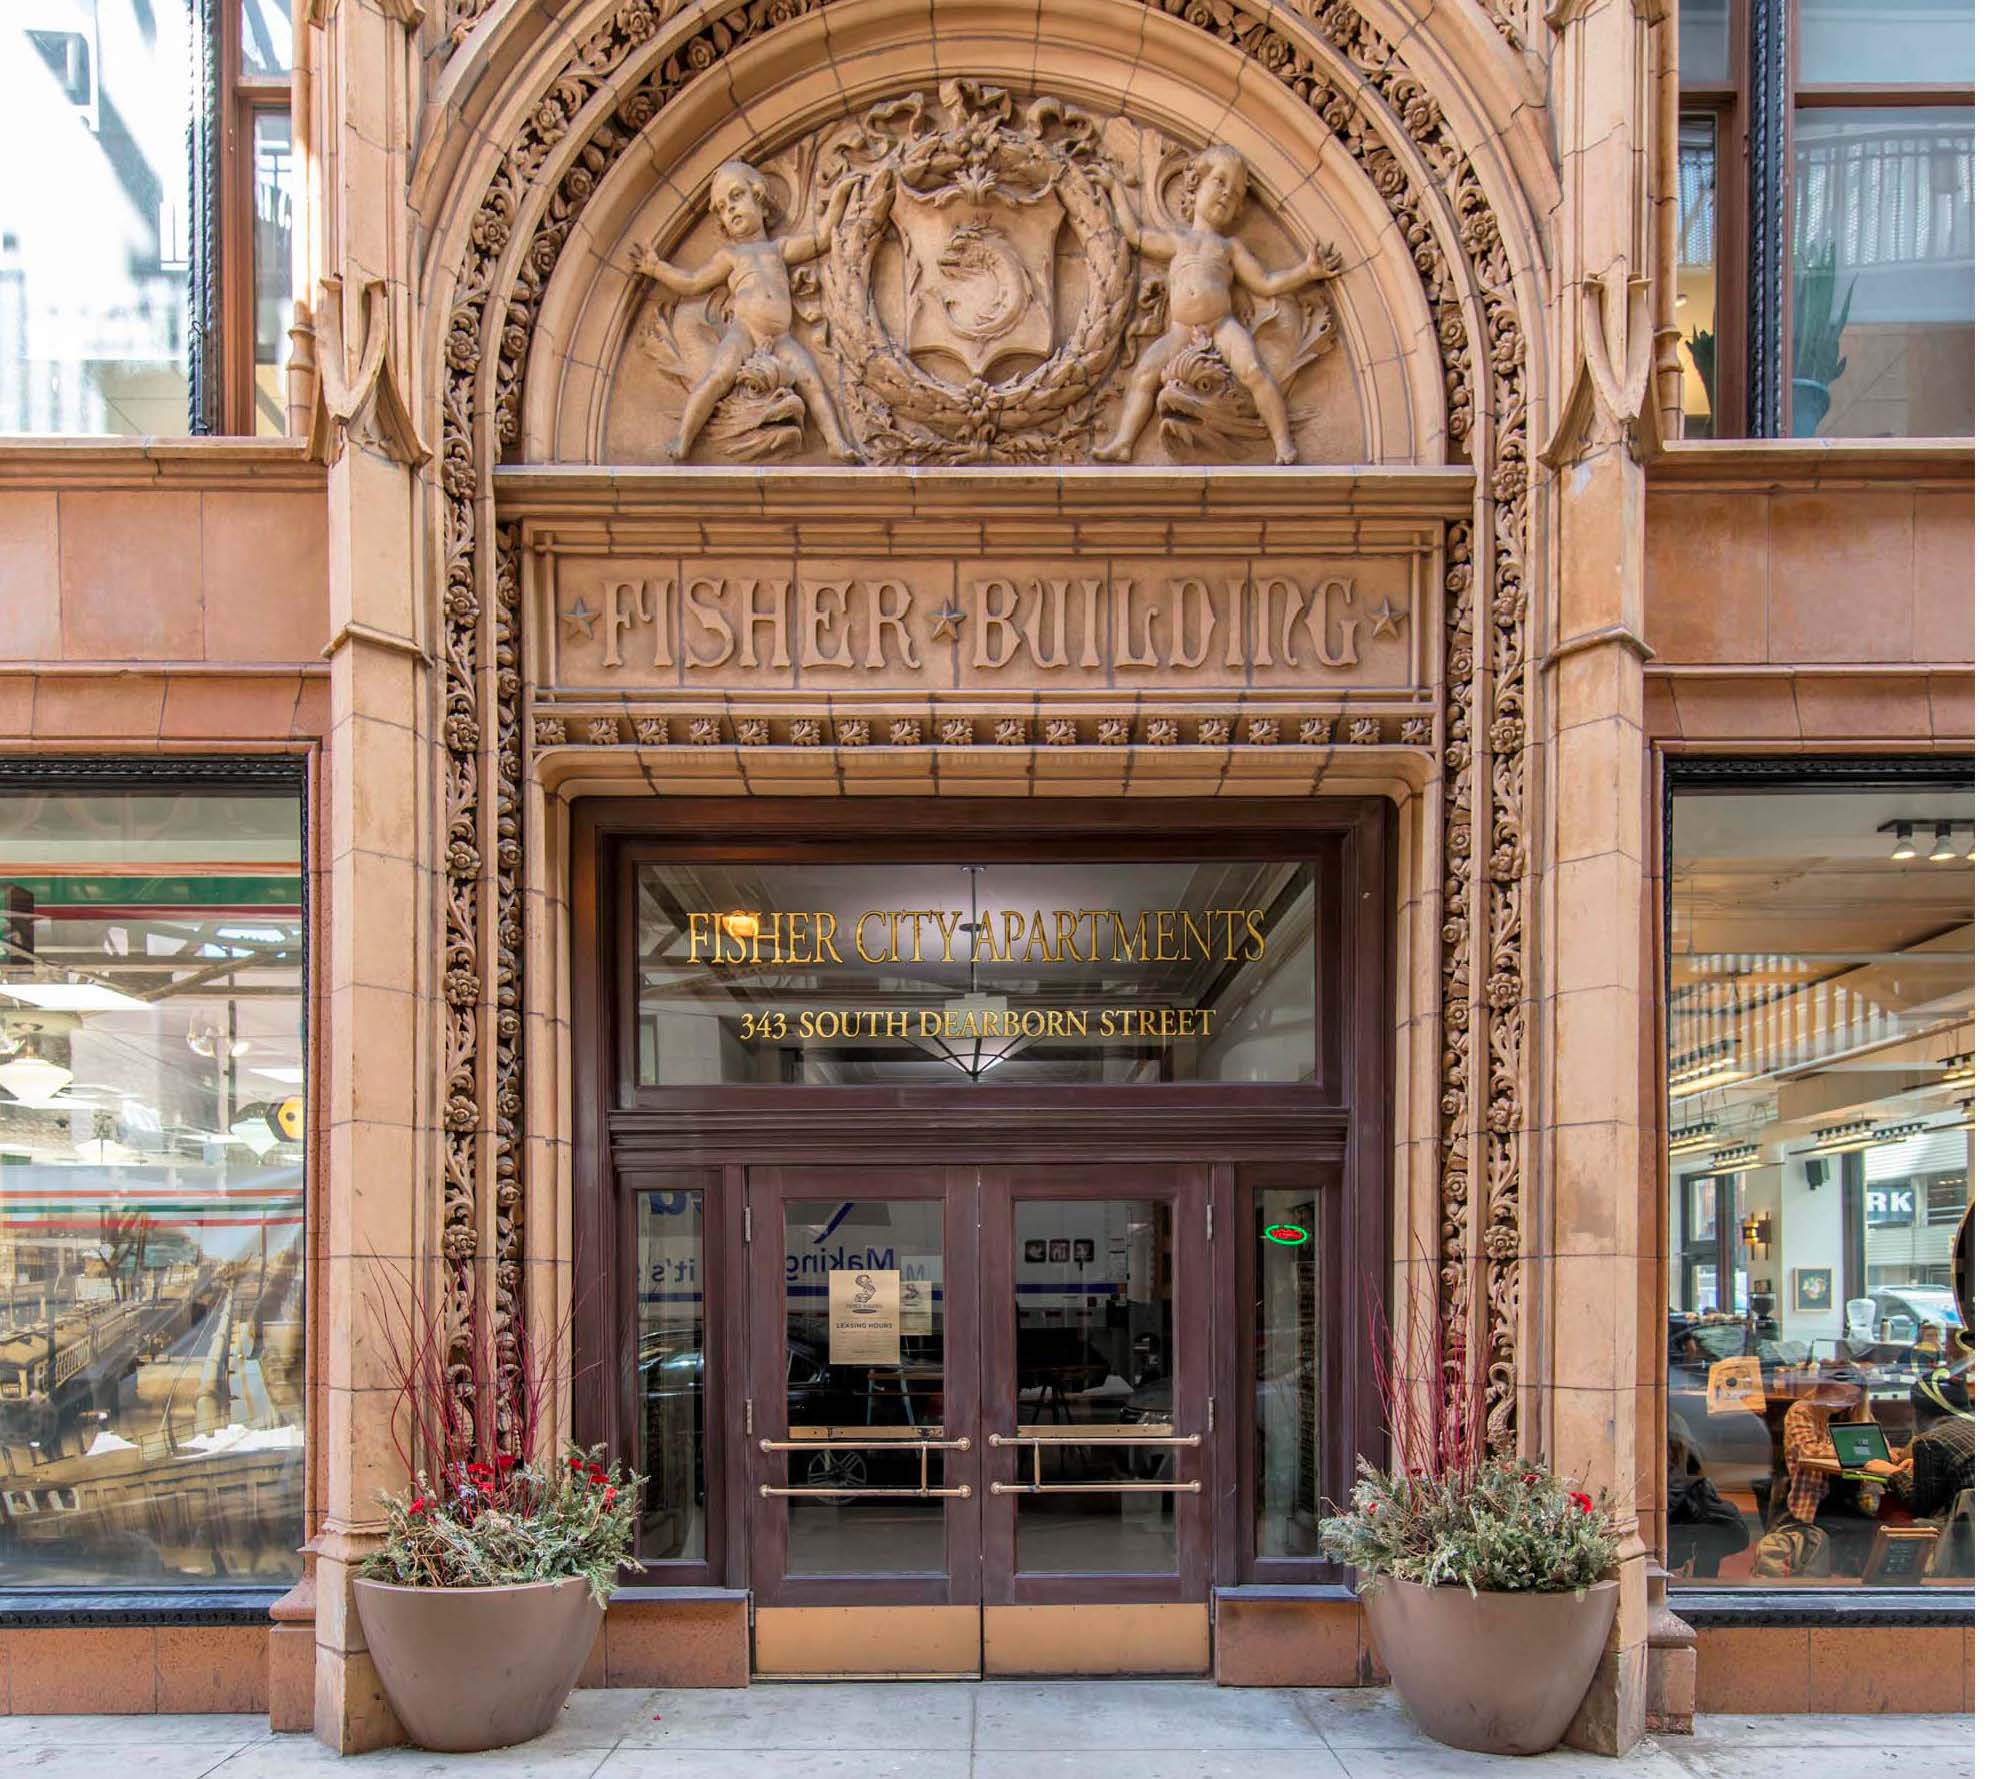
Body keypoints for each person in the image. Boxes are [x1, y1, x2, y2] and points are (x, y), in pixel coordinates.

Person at [1092, 144, 1340, 465]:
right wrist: (1115, 190)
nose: (1227, 194)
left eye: (1235, 193)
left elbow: (1265, 283)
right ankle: (1124, 441)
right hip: (1181, 330)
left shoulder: (1229, 248)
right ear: (1194, 186)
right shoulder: (1177, 241)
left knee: (1253, 371)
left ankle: (1283, 443)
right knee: (1145, 371)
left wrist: (1307, 271)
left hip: (1221, 325)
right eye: (1220, 182)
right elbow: (1135, 234)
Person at [629, 161, 860, 463]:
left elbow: (821, 239)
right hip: (745, 332)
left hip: (781, 337)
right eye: (724, 207)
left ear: (760, 200)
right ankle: (683, 439)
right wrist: (656, 267)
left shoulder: (779, 249)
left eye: (737, 196)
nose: (732, 210)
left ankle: (835, 442)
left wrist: (841, 194)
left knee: (811, 379)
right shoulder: (731, 256)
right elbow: (693, 282)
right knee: (718, 376)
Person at [1865, 1366, 1974, 1521]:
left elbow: (1920, 1505)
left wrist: (1891, 1473)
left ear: (1919, 1411)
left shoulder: (1930, 1441)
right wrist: (1921, 1465)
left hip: (1963, 1531)